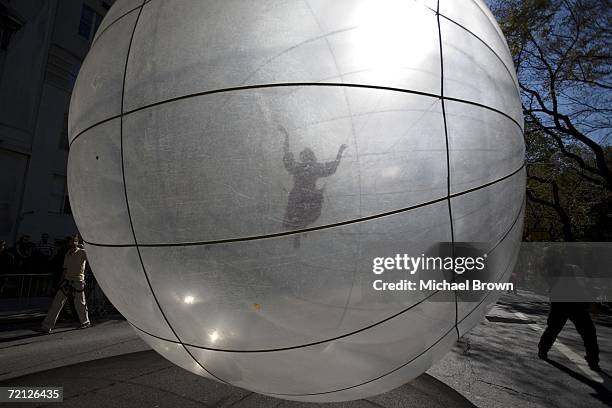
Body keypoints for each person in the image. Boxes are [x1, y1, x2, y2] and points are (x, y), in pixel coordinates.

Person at [280, 126, 347, 247]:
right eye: (305, 156)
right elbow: (332, 167)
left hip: (304, 196)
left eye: (307, 156)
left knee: (302, 211)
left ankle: (298, 226)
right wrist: (340, 152)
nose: (307, 159)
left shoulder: (301, 167)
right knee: (303, 210)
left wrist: (340, 152)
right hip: (305, 196)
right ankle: (298, 227)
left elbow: (287, 156)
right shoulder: (308, 168)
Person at [537, 247, 600, 371]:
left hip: (561, 304)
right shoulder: (572, 268)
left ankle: (543, 350)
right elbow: (584, 287)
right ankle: (593, 359)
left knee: (553, 328)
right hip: (576, 304)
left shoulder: (549, 271)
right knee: (588, 332)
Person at [34, 235, 91, 333]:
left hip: (78, 281)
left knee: (80, 304)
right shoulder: (67, 254)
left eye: (74, 241)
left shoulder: (82, 252)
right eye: (71, 241)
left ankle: (85, 322)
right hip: (67, 281)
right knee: (57, 303)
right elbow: (65, 270)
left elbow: (92, 259)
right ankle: (46, 327)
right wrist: (60, 282)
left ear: (77, 242)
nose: (72, 243)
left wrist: (85, 245)